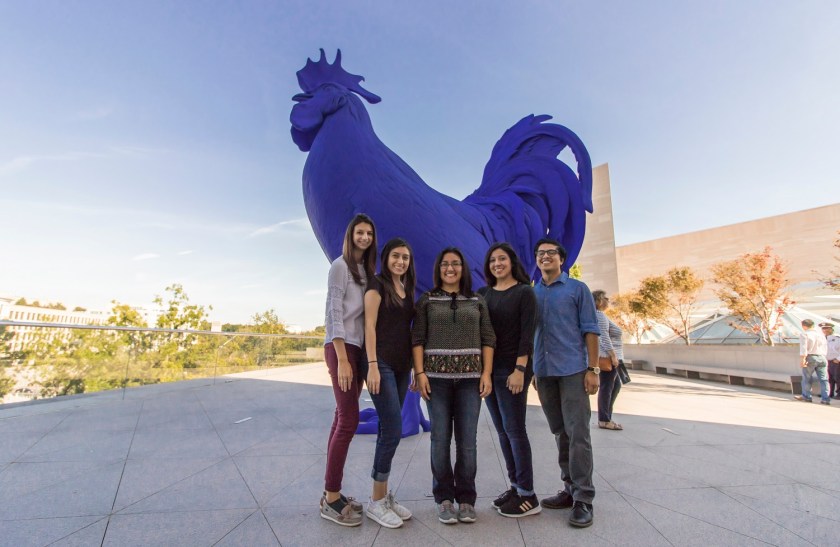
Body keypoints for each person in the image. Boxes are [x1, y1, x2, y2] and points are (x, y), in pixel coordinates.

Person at [412, 247, 496, 525]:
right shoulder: (427, 300)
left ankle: (467, 499)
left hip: (470, 381)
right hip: (435, 381)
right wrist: (420, 373)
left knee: (467, 442)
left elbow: (488, 338)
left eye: (456, 263)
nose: (450, 268)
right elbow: (417, 338)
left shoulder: (477, 300)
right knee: (439, 441)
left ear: (463, 268)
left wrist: (486, 373)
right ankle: (444, 498)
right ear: (438, 269)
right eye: (445, 264)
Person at [532, 238, 600, 528]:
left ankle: (584, 498)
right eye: (540, 253)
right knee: (560, 433)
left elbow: (591, 330)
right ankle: (569, 488)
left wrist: (593, 369)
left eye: (551, 252)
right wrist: (533, 369)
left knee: (578, 434)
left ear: (562, 259)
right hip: (544, 372)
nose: (545, 256)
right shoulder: (532, 292)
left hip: (573, 370)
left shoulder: (577, 289)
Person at [319, 213, 377, 527]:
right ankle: (331, 499)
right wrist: (341, 357)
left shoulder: (367, 271)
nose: (364, 237)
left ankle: (331, 492)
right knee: (349, 420)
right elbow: (333, 311)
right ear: (350, 235)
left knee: (341, 417)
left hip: (357, 349)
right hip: (341, 347)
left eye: (369, 233)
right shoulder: (340, 266)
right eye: (359, 232)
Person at [477, 243, 540, 518]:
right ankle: (515, 486)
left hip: (513, 370)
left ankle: (528, 494)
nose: (497, 264)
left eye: (502, 258)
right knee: (503, 432)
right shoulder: (484, 294)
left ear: (512, 262)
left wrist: (520, 369)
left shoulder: (525, 292)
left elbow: (527, 334)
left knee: (515, 430)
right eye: (492, 260)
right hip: (490, 370)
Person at [363, 238, 416, 528]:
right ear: (386, 258)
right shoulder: (377, 284)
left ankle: (382, 496)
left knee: (387, 428)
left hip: (401, 366)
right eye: (396, 256)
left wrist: (414, 369)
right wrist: (372, 365)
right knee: (393, 430)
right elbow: (369, 326)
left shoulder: (406, 288)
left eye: (405, 257)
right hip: (380, 363)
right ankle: (376, 501)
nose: (400, 261)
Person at [592, 290, 622, 431]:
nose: (607, 300)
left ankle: (606, 417)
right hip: (607, 358)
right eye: (604, 298)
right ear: (598, 301)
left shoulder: (599, 315)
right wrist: (613, 356)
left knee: (615, 386)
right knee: (607, 388)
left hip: (609, 356)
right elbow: (603, 337)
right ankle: (604, 419)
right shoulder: (599, 315)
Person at [795, 319, 830, 405]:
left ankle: (807, 396)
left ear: (804, 326)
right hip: (822, 357)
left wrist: (803, 359)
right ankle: (826, 399)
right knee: (824, 379)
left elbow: (804, 348)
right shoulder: (821, 334)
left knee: (807, 378)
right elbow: (825, 347)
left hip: (810, 357)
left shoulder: (805, 334)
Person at [821, 322, 840, 399]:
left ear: (831, 329)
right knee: (829, 378)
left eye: (827, 328)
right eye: (823, 328)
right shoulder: (822, 338)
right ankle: (830, 393)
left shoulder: (837, 338)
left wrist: (838, 359)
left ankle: (839, 394)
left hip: (836, 361)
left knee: (838, 378)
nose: (825, 330)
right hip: (827, 361)